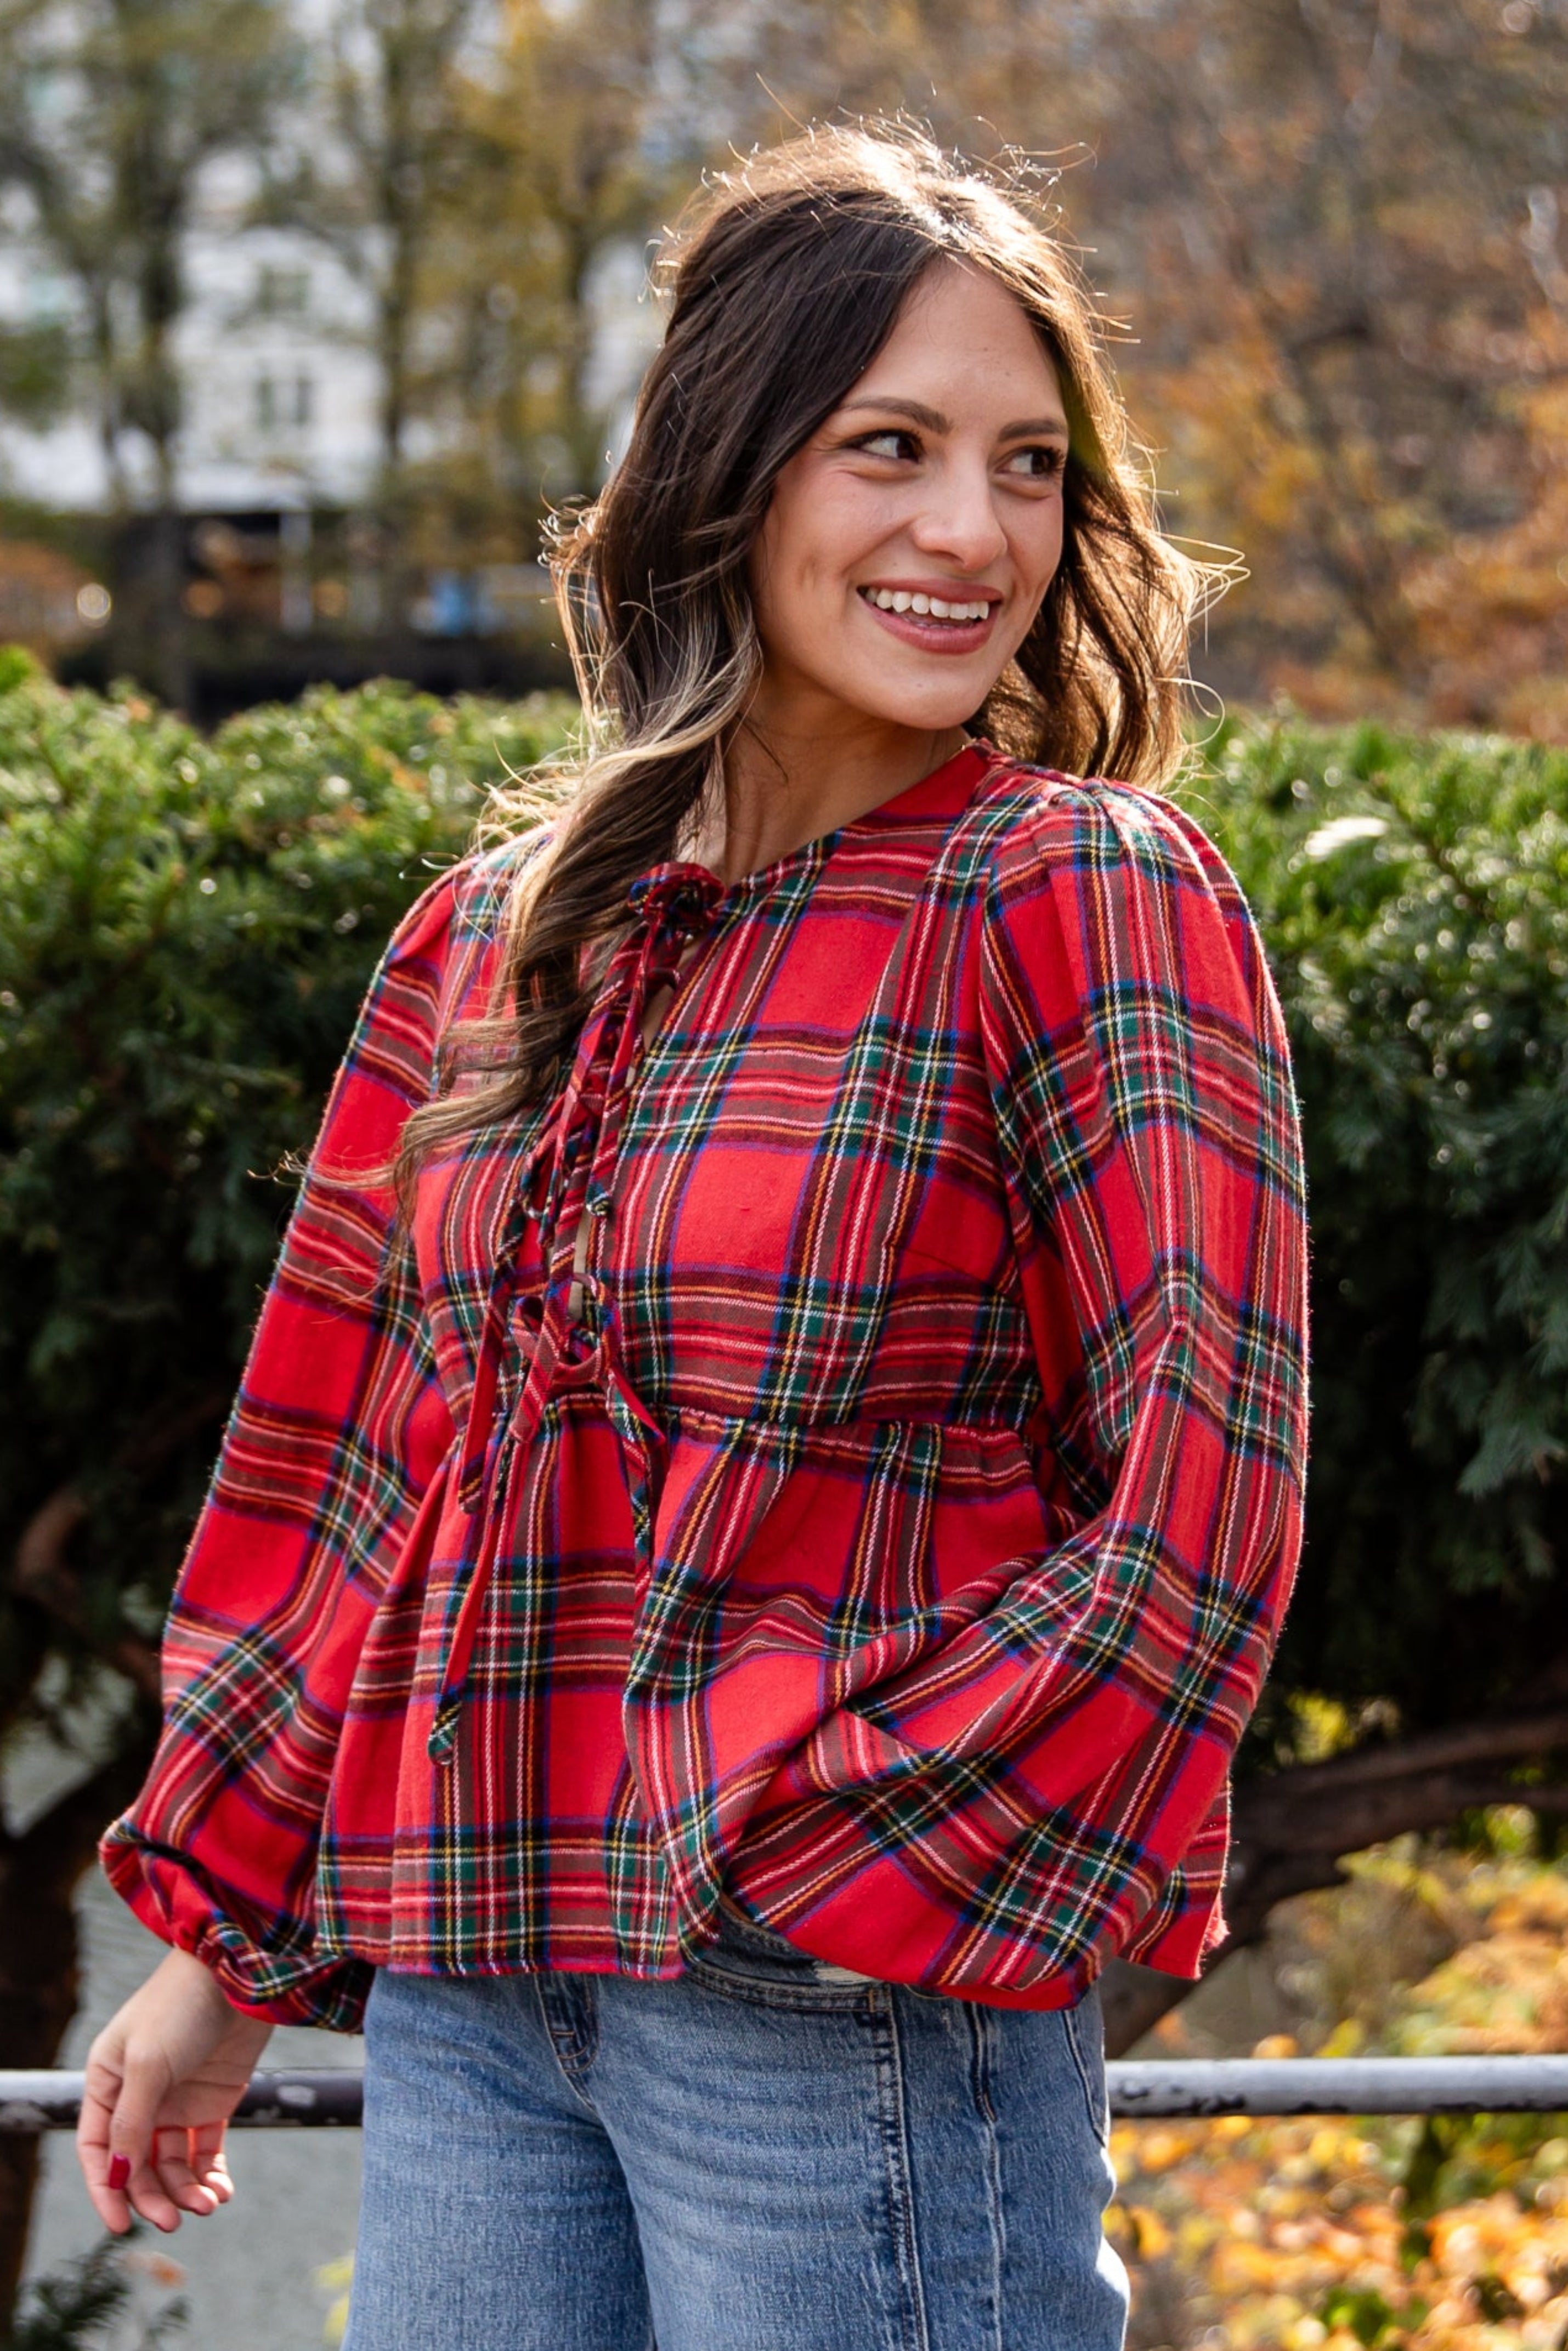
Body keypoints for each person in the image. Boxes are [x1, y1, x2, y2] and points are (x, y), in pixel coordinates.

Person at [76, 124, 1309, 2350]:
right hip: (470, 1976)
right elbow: (359, 1477)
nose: (973, 531)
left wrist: (850, 1853)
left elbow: (1199, 1508)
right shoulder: (498, 938)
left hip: (835, 1998)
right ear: (724, 476)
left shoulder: (1069, 890)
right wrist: (220, 1945)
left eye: (1028, 465)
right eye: (890, 447)